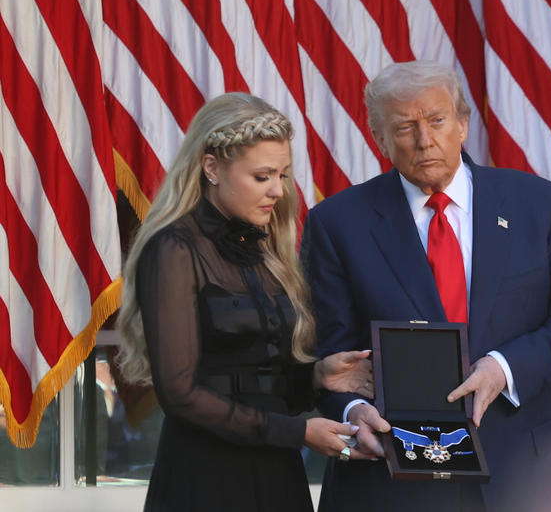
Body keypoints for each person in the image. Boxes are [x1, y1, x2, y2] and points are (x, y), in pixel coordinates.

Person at [301, 61, 551, 512]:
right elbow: (328, 350)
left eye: (437, 120)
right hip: (390, 479)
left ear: (463, 124)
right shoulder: (337, 223)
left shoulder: (536, 204)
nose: (424, 140)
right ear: (381, 140)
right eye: (405, 126)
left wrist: (504, 368)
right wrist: (351, 412)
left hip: (520, 475)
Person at [116, 92, 374, 511]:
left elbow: (257, 382)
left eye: (283, 175)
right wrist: (298, 434)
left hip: (277, 472)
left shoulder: (263, 250)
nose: (277, 190)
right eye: (262, 176)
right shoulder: (174, 249)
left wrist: (316, 377)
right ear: (212, 168)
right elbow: (181, 394)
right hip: (204, 478)